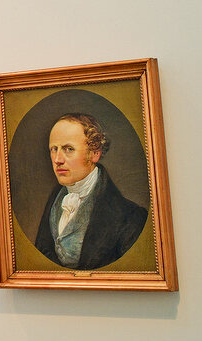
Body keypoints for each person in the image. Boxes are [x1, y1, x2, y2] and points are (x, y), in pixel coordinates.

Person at [33, 113, 147, 270]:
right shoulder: (53, 201)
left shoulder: (130, 217)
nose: (58, 159)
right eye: (54, 149)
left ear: (95, 153)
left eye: (68, 149)